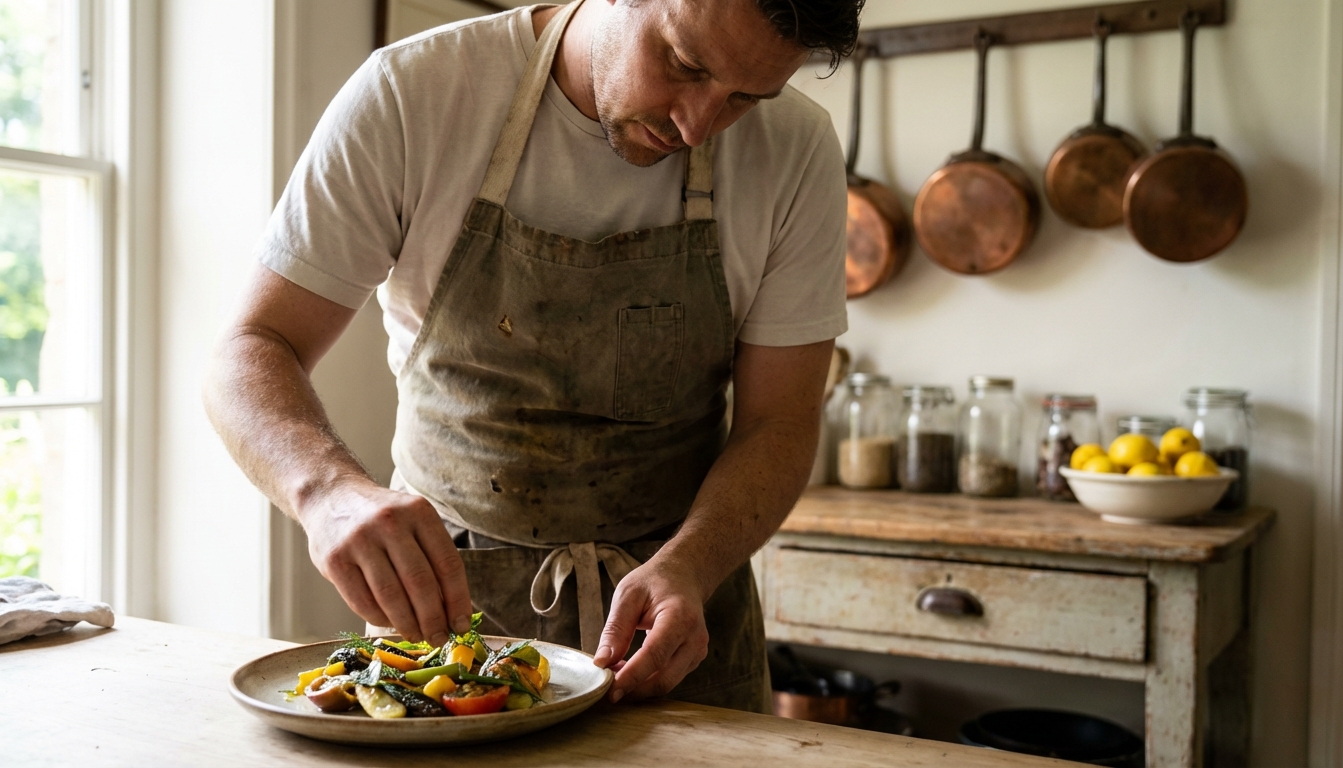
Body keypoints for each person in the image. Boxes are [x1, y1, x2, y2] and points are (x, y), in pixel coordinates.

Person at [204, 0, 860, 712]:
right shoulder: (416, 93)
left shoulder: (797, 148)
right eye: (683, 63)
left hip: (674, 630)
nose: (697, 123)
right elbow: (251, 346)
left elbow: (780, 422)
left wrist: (693, 567)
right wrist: (326, 492)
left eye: (743, 98)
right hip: (444, 630)